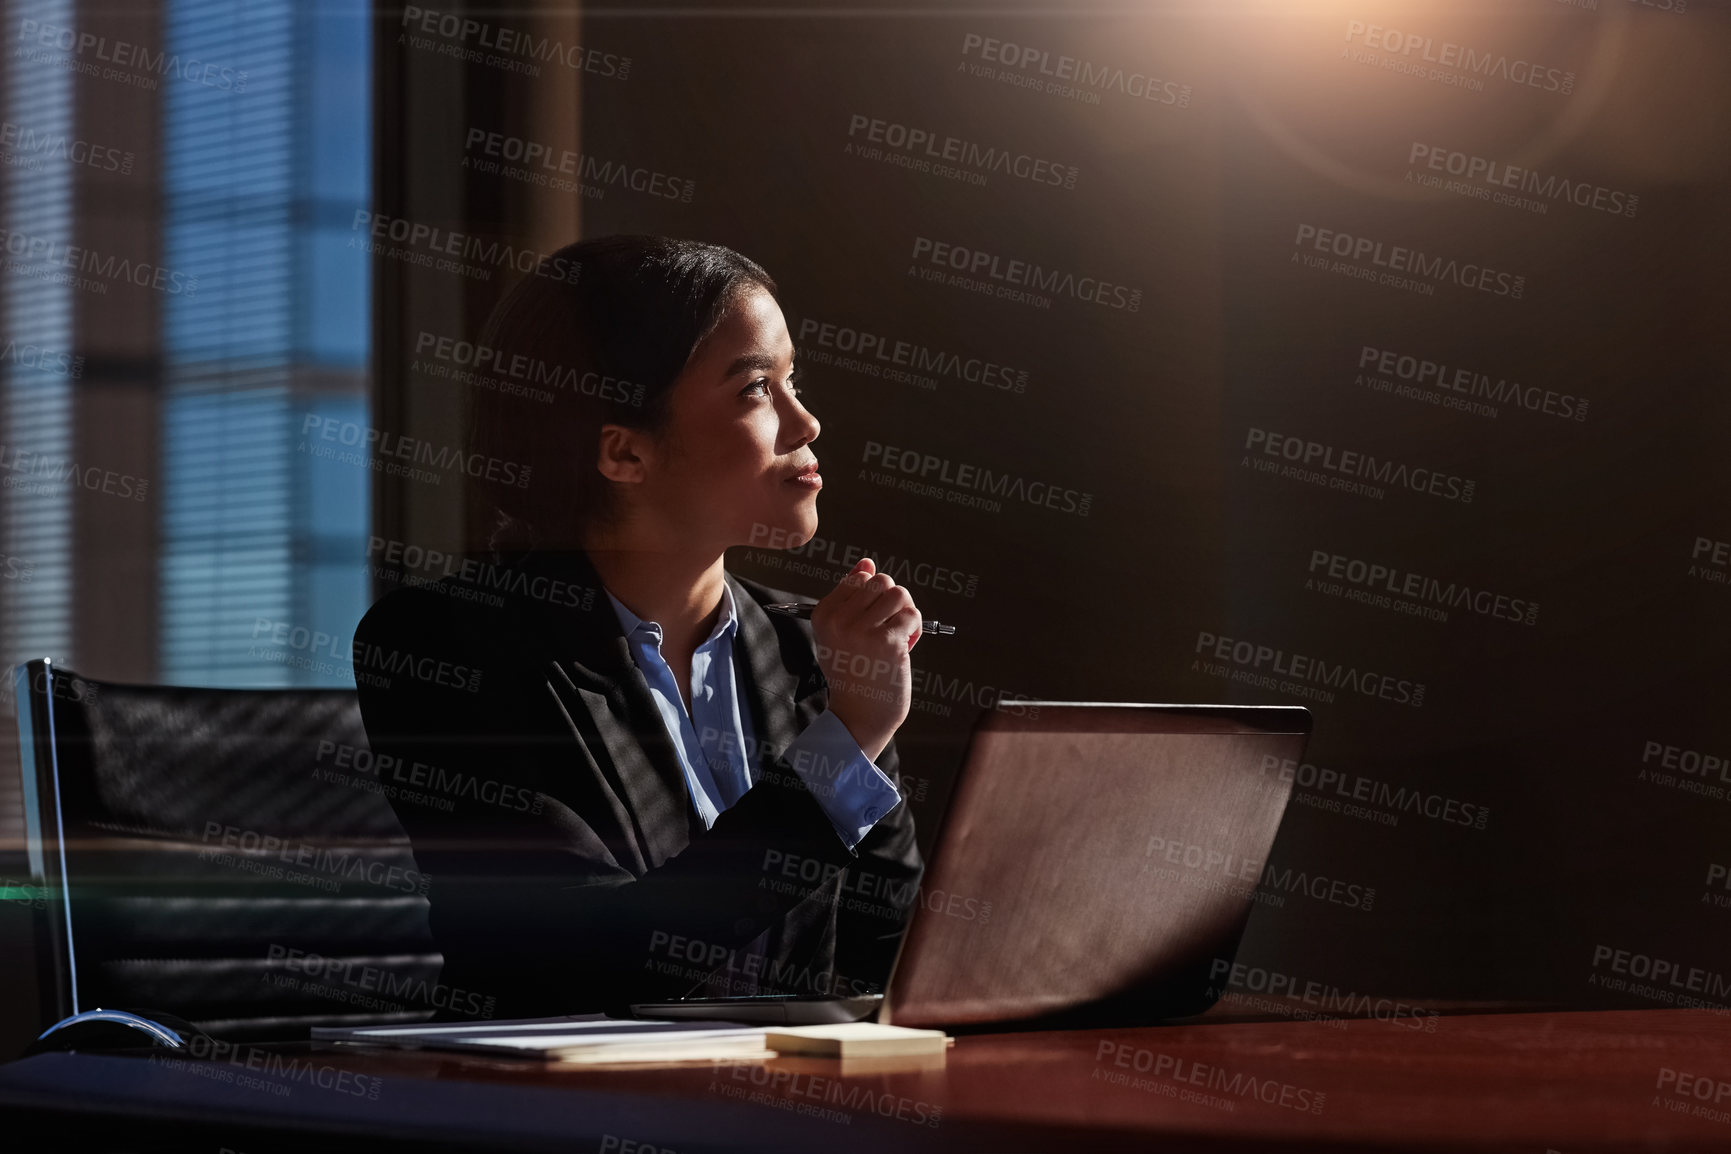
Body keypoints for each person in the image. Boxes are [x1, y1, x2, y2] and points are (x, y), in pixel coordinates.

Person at [352, 235, 926, 1020]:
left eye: (794, 380)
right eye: (757, 388)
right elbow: (589, 958)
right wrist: (846, 741)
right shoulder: (444, 644)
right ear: (623, 452)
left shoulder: (811, 648)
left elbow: (891, 953)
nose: (806, 422)